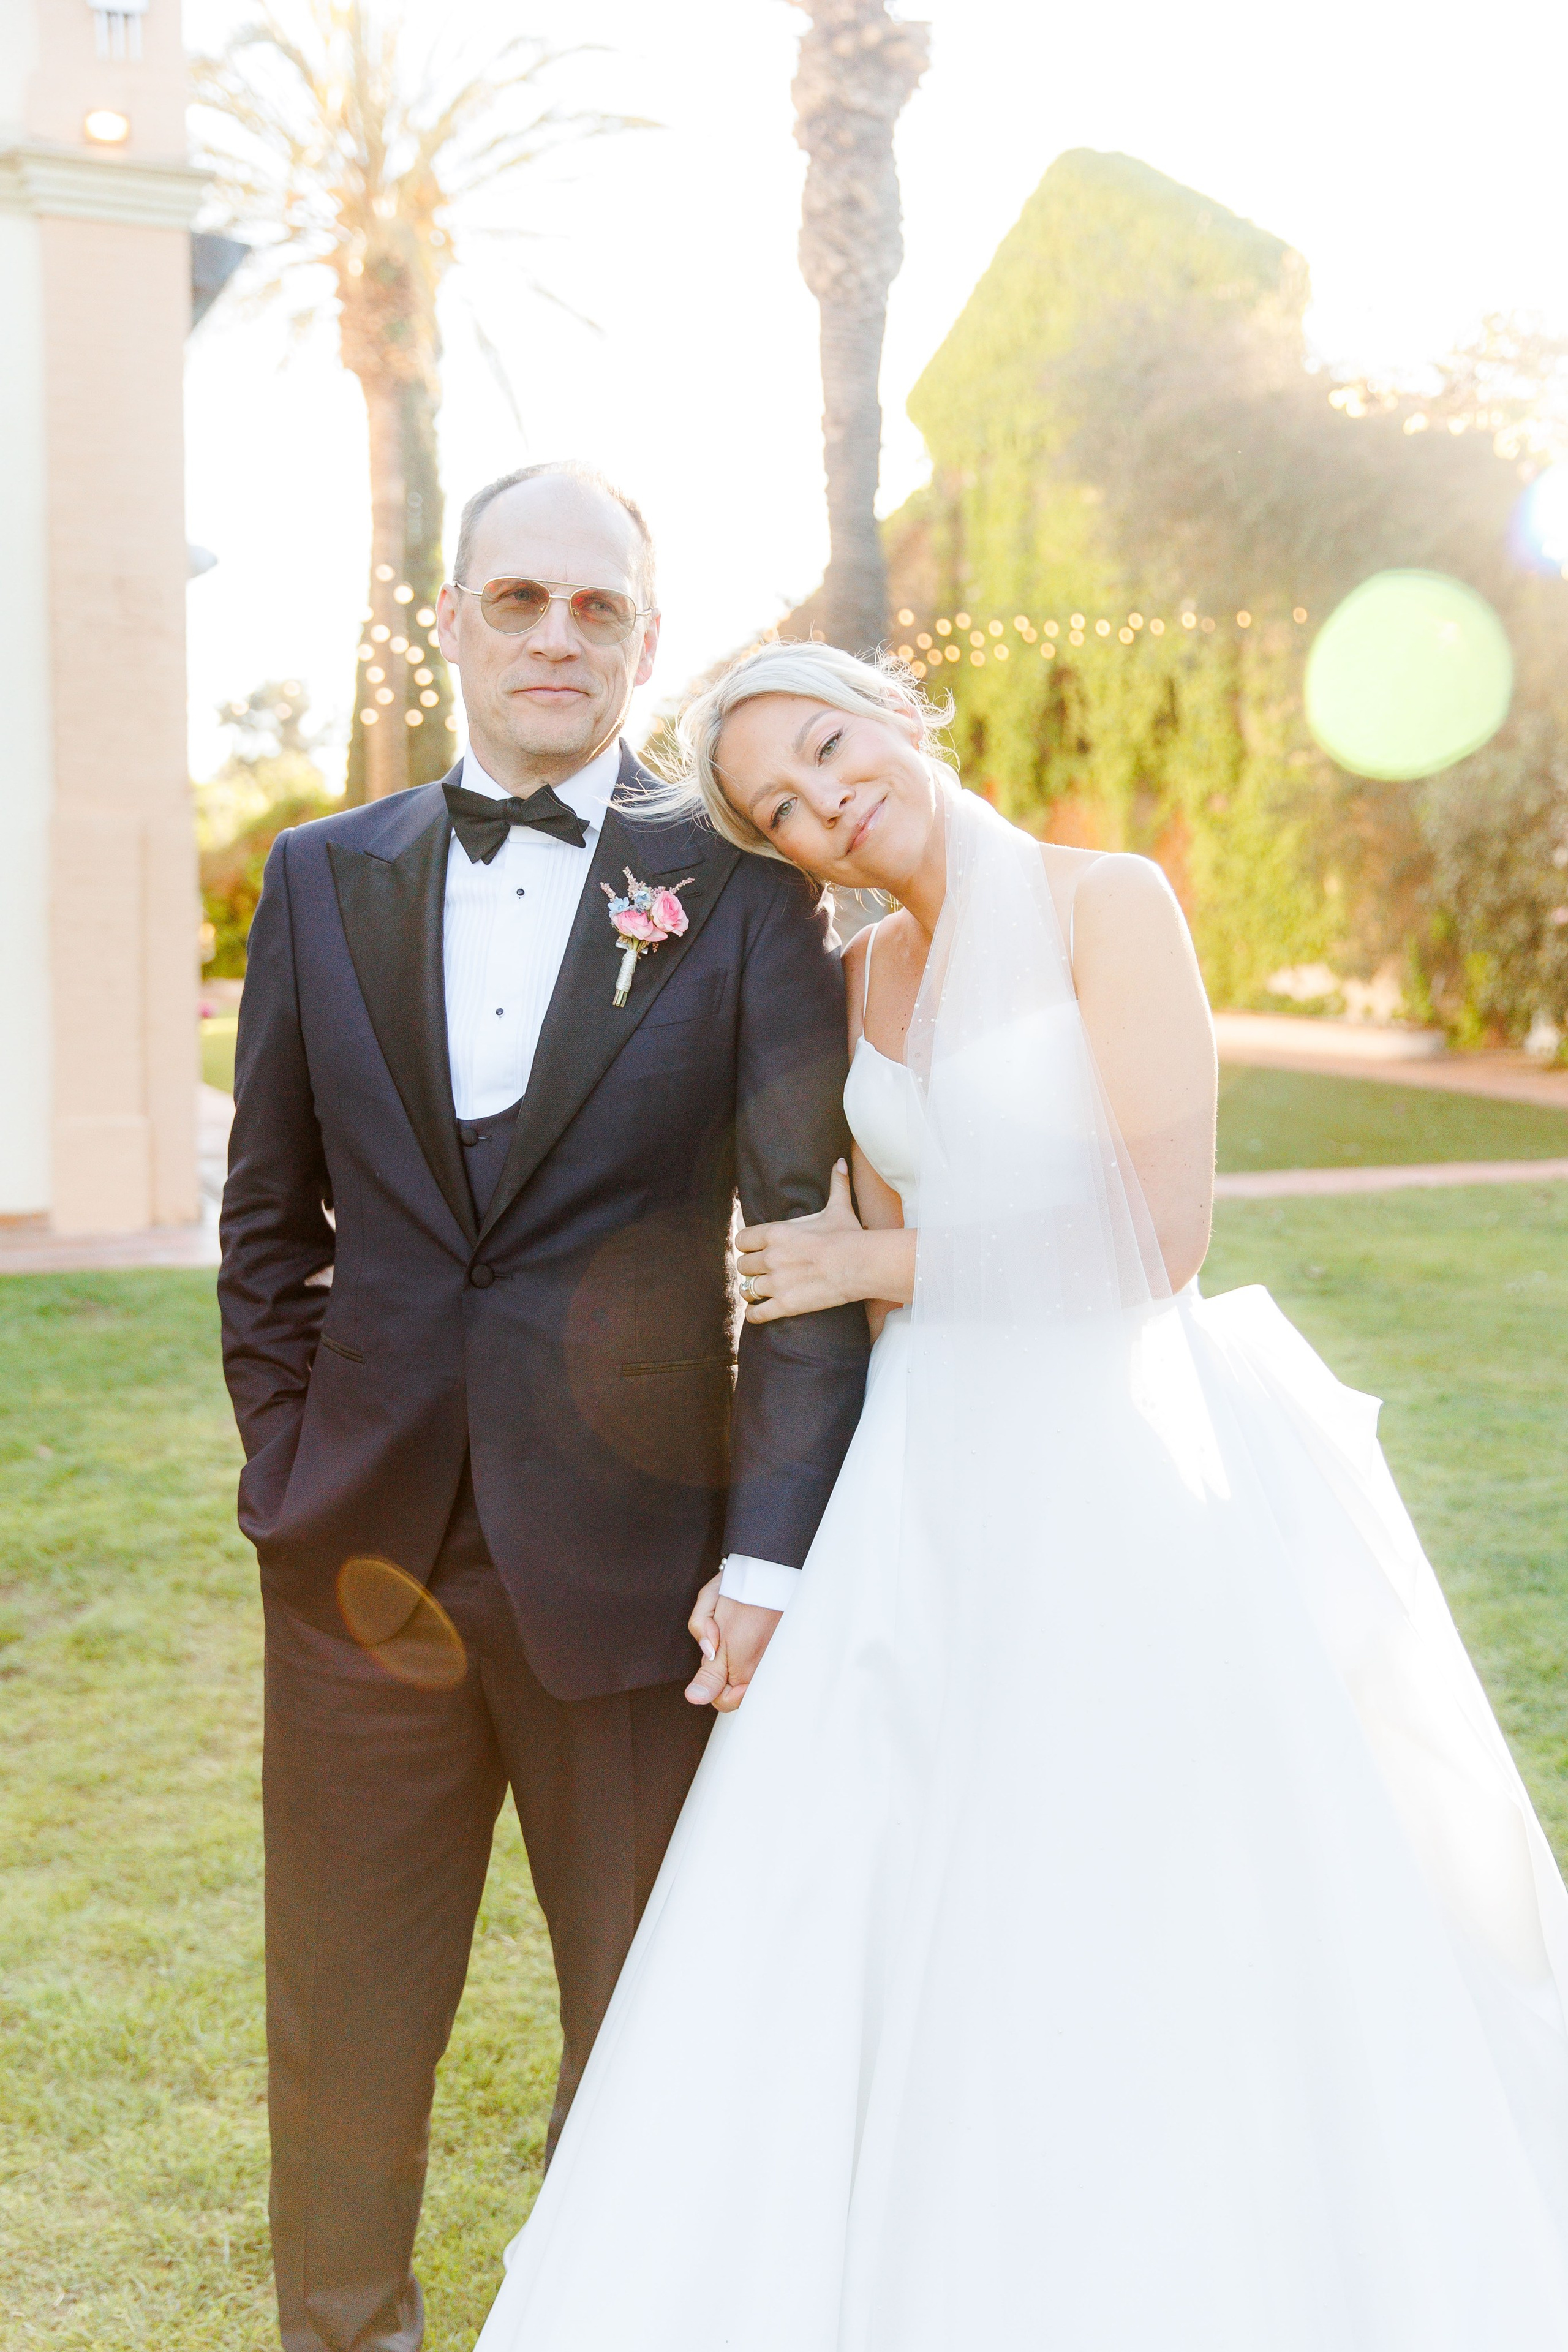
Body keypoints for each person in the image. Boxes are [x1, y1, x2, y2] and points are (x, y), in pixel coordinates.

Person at [477, 640, 1568, 2351]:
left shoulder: (1104, 904)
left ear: (902, 713)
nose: (826, 803)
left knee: (1142, 1874)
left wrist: (876, 1257)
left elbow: (1164, 1231)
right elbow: (811, 1277)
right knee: (872, 1862)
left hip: (1109, 1465)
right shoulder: (848, 983)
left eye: (830, 749)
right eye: (781, 809)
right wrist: (775, 1497)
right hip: (922, 1472)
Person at [217, 469, 868, 2352]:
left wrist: (762, 1550)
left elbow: (800, 1245)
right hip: (363, 1570)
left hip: (643, 1583)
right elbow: (268, 1225)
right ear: (453, 621)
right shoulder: (321, 878)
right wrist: (290, 1475)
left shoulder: (746, 893)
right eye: (520, 600)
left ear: (644, 640)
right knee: (343, 2027)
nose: (556, 637)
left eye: (596, 609)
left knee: (649, 2032)